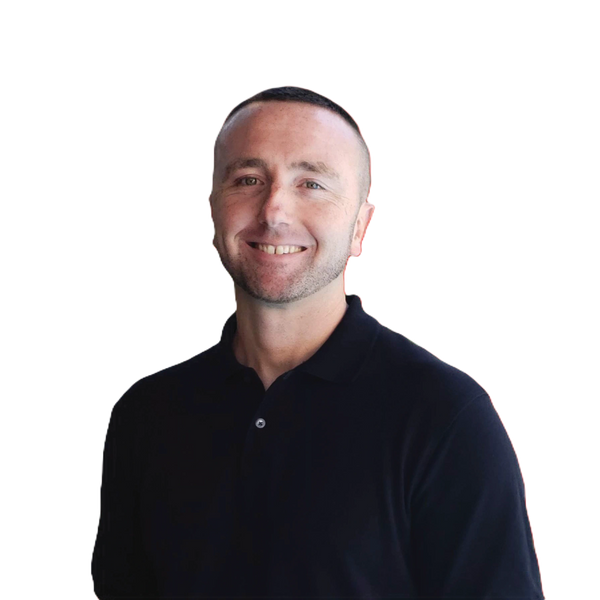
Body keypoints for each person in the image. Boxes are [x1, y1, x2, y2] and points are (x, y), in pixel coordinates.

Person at [91, 86, 544, 598]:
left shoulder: (445, 415)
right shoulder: (145, 414)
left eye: (311, 183)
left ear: (362, 226)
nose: (274, 210)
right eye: (248, 179)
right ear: (213, 208)